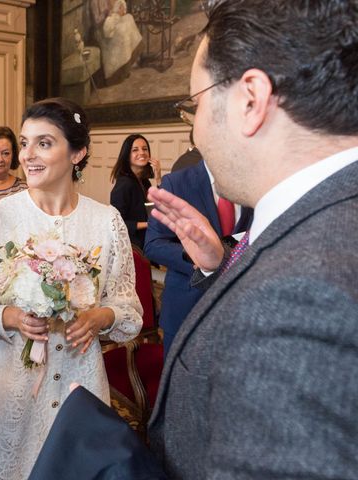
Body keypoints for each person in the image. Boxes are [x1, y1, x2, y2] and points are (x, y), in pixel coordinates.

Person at [144, 0, 358, 477]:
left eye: (194, 104)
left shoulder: (303, 300)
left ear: (250, 100)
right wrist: (218, 264)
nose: (195, 129)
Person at [0, 97, 143, 479]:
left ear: (78, 153)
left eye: (44, 143)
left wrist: (103, 315)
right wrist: (8, 316)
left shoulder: (106, 223)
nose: (27, 155)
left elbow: (128, 306)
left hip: (77, 382)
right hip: (7, 383)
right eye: (24, 142)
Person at [145, 160, 252, 356]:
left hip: (240, 313)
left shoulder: (252, 181)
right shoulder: (176, 183)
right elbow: (153, 244)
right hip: (186, 309)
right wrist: (193, 257)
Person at [109, 134, 162, 247]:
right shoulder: (124, 185)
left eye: (145, 149)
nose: (142, 153)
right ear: (127, 155)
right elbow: (118, 223)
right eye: (135, 150)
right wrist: (148, 224)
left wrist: (158, 178)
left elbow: (157, 206)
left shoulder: (144, 181)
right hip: (133, 244)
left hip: (148, 237)